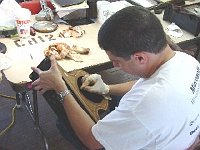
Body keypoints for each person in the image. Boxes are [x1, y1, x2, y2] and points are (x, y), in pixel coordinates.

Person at [31, 6, 200, 150]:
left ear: (140, 58)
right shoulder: (186, 60)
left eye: (116, 62)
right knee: (107, 101)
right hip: (179, 135)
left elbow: (93, 141)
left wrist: (61, 89)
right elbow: (144, 85)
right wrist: (106, 88)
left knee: (65, 123)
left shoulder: (145, 103)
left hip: (164, 138)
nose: (115, 66)